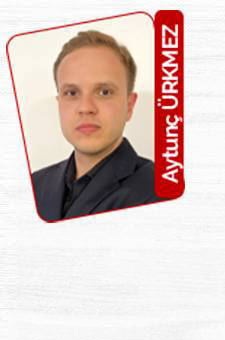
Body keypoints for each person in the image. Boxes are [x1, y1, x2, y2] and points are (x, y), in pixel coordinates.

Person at [30, 29, 159, 221]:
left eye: (104, 92)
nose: (86, 108)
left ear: (129, 106)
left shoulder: (161, 191)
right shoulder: (35, 184)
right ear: (59, 104)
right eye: (71, 93)